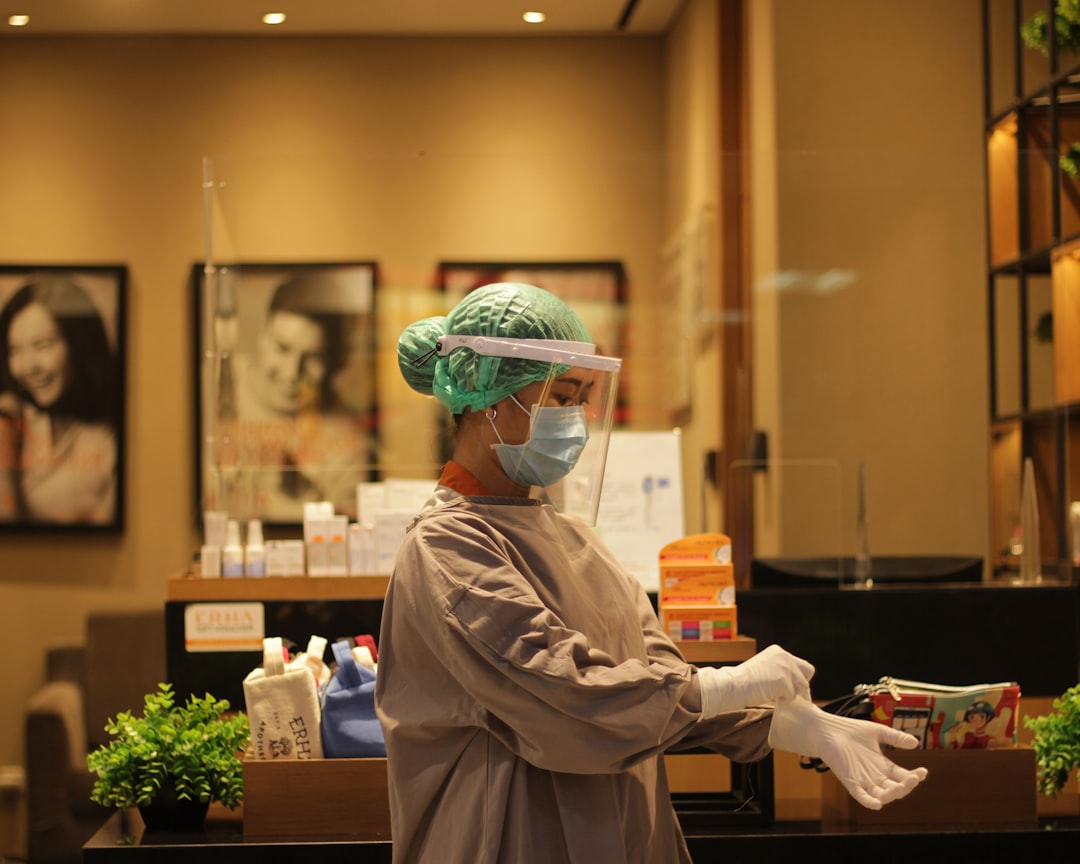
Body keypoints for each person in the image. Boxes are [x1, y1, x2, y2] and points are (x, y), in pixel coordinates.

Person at [375, 282, 928, 864]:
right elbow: (564, 695)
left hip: (625, 832)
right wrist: (729, 684)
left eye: (585, 397)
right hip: (510, 838)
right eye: (562, 397)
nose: (579, 419)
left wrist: (784, 727)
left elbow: (652, 686)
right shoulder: (447, 546)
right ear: (490, 397)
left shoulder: (574, 539)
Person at [224, 274, 373, 521]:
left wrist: (308, 492)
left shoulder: (349, 439)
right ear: (262, 336)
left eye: (313, 357)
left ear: (333, 363)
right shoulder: (217, 389)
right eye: (282, 348)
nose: (292, 373)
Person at [0, 277, 118, 524]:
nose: (27, 366)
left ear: (77, 345)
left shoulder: (108, 444)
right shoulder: (13, 416)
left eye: (42, 345)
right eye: (14, 350)